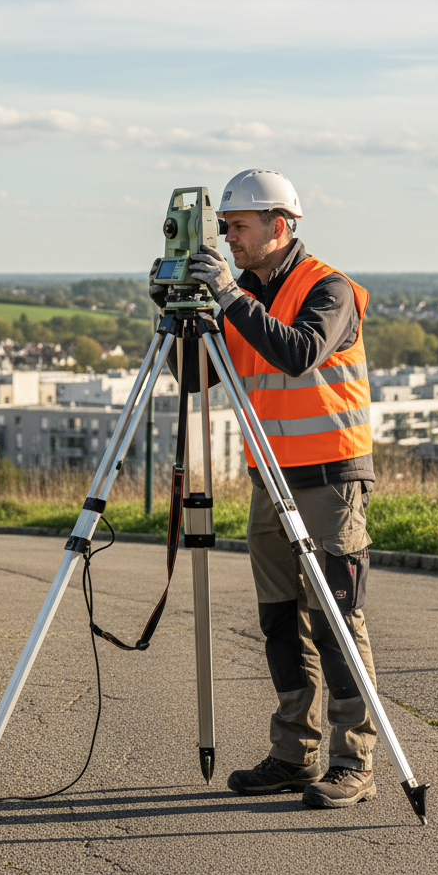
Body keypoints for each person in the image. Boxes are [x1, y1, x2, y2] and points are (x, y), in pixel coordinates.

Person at [151, 168, 378, 809]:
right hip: (268, 479)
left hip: (330, 480)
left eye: (238, 226)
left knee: (336, 618)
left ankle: (352, 759)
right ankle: (293, 753)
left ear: (280, 225)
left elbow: (299, 352)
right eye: (224, 226)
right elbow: (195, 379)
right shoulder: (239, 293)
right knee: (281, 621)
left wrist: (225, 294)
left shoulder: (328, 290)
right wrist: (173, 312)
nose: (226, 237)